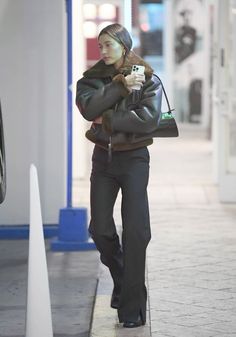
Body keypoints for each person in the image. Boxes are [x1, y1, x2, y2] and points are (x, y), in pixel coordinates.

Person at [76, 23, 162, 328]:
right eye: (101, 46)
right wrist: (120, 86)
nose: (103, 51)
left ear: (124, 45)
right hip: (104, 160)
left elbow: (148, 121)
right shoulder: (91, 79)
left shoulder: (148, 77)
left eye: (109, 45)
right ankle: (127, 281)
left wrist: (108, 118)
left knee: (137, 232)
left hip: (136, 159)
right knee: (99, 230)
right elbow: (88, 109)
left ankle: (131, 310)